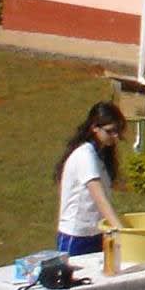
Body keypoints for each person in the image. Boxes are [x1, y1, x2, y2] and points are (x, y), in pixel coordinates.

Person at [55, 102, 125, 254]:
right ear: (94, 127)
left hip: (97, 232)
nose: (116, 137)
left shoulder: (100, 155)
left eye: (117, 131)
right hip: (76, 237)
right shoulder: (85, 155)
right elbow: (100, 199)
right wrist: (122, 233)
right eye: (110, 131)